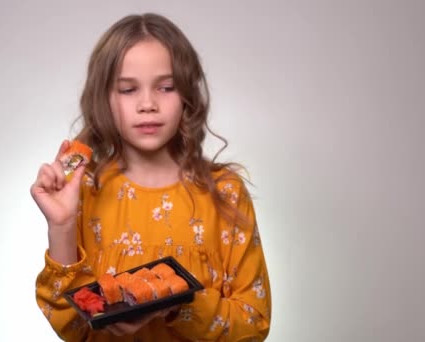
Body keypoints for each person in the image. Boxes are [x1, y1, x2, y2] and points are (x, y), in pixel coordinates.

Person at [31, 13, 271, 341]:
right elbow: (71, 328)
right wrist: (60, 226)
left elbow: (253, 325)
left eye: (166, 87)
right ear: (105, 99)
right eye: (128, 89)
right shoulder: (85, 191)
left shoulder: (225, 193)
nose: (148, 104)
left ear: (187, 94)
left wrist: (175, 304)